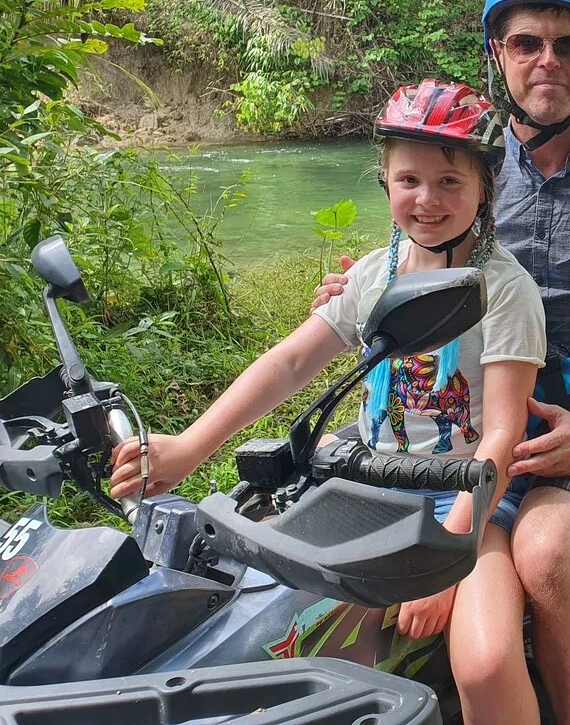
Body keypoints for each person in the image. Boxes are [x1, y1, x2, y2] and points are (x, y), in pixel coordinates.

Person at [314, 0, 570, 725]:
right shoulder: (470, 168)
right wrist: (359, 293)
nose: (547, 61)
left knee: (545, 551)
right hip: (473, 405)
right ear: (498, 53)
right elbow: (415, 252)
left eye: (569, 45)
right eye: (527, 42)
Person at [110, 82, 546, 725]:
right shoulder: (374, 275)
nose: (427, 200)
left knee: (484, 662)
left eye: (450, 182)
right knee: (278, 630)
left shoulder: (505, 290)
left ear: (485, 190)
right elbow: (289, 362)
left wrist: (447, 560)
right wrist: (188, 447)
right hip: (366, 485)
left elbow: (502, 433)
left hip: (466, 499)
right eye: (409, 180)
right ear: (385, 181)